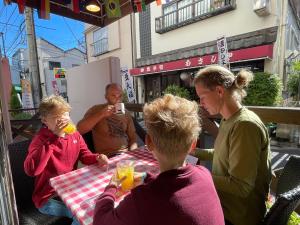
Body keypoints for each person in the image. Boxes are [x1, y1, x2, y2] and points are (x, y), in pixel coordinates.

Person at [93, 94, 225, 225]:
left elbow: (100, 220)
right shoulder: (205, 174)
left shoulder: (141, 200)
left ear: (148, 142)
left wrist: (111, 187)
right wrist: (146, 177)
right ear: (193, 144)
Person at [193, 65, 271, 225]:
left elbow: (241, 186)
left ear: (220, 91)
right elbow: (222, 153)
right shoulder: (228, 119)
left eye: (202, 97)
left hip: (238, 216)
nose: (201, 103)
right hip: (224, 204)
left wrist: (198, 175)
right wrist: (194, 152)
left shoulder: (245, 125)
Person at [24, 95, 108, 225]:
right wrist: (54, 138)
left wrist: (97, 157)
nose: (64, 119)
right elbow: (32, 170)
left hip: (70, 189)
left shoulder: (74, 134)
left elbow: (85, 155)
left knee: (97, 204)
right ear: (45, 121)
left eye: (66, 114)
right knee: (83, 216)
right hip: (48, 198)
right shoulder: (40, 140)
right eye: (57, 117)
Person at [77, 83, 137, 156]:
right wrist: (101, 114)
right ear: (106, 97)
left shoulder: (126, 112)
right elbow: (79, 129)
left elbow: (133, 137)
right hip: (106, 156)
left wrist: (133, 153)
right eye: (113, 95)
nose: (118, 99)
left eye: (120, 96)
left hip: (126, 153)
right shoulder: (96, 109)